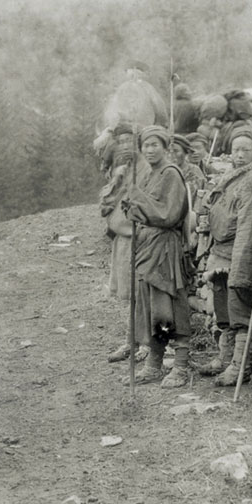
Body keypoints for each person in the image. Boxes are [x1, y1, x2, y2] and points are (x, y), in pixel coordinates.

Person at [196, 126, 252, 386]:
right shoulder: (231, 176)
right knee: (223, 309)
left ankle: (240, 366)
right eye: (235, 149)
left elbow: (250, 225)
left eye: (245, 150)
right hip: (221, 253)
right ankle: (225, 357)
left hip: (238, 255)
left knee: (239, 310)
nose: (239, 155)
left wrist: (241, 266)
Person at [122, 125, 193, 388]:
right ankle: (154, 363)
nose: (150, 150)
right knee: (152, 308)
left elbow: (170, 214)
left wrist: (139, 207)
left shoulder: (170, 174)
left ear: (165, 147)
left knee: (169, 306)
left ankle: (181, 366)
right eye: (145, 145)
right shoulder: (149, 175)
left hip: (164, 249)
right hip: (147, 247)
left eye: (155, 145)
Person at [100, 122, 151, 363]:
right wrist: (117, 180)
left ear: (138, 141)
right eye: (120, 142)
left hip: (142, 237)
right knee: (130, 292)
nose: (125, 146)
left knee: (144, 291)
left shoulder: (148, 167)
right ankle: (131, 341)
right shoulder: (123, 168)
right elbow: (107, 202)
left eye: (129, 140)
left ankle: (149, 345)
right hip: (123, 237)